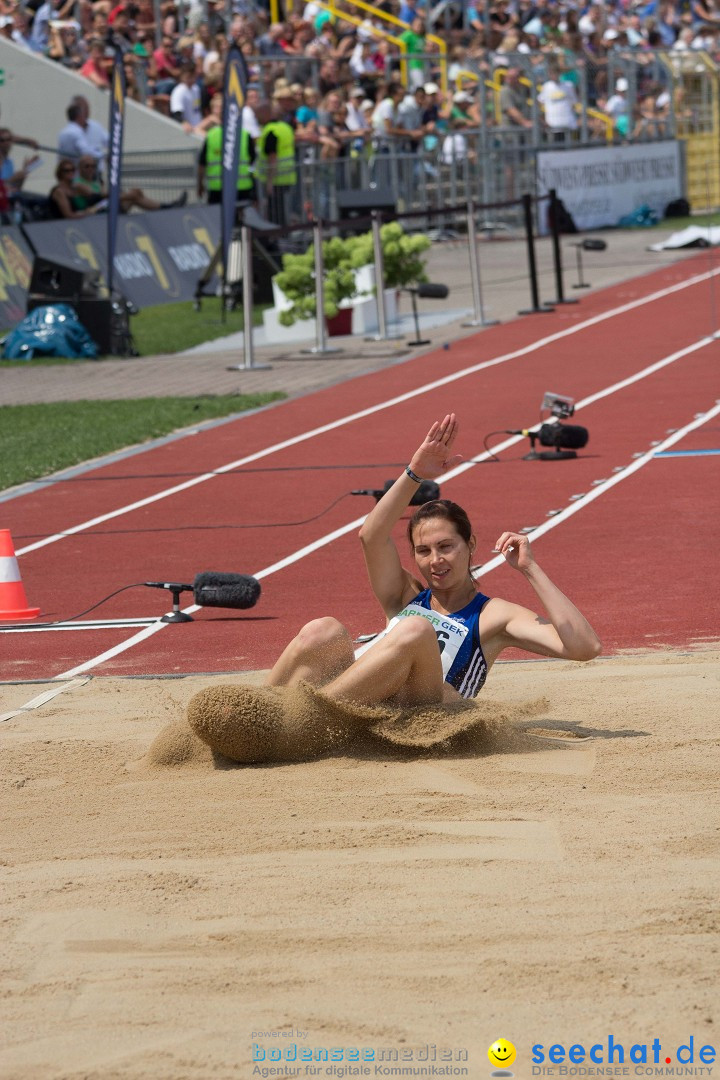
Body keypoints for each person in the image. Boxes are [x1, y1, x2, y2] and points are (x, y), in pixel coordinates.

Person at [265, 414, 601, 708]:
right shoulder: (404, 596)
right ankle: (257, 710)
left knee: (414, 628)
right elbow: (371, 536)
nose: (436, 560)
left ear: (470, 546)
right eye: (424, 551)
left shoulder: (493, 615)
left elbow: (584, 647)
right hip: (364, 701)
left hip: (424, 711)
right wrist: (415, 473)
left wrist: (529, 568)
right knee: (323, 630)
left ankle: (308, 715)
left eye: (446, 546)